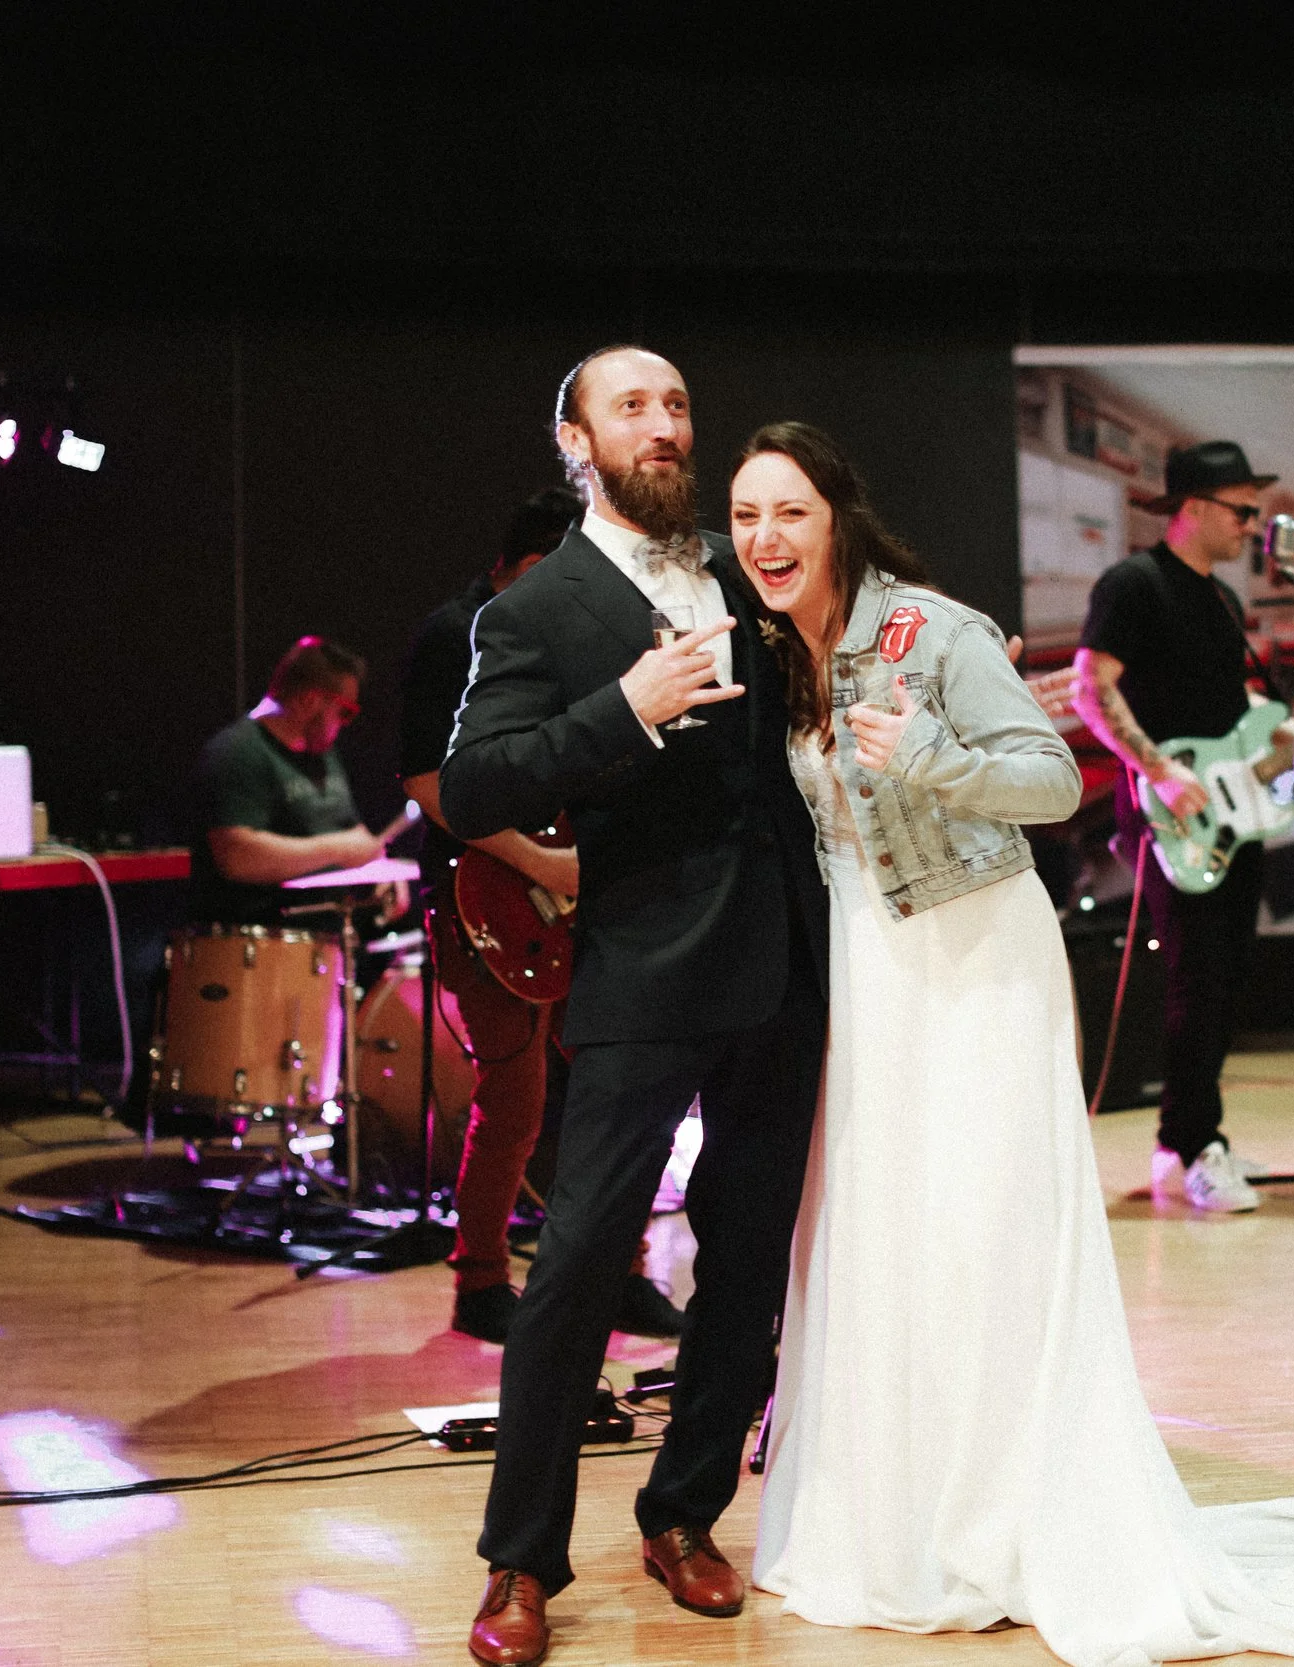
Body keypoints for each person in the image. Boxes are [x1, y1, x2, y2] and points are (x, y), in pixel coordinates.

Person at [740, 422, 1294, 1667]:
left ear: (837, 515)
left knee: (987, 1230)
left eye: (790, 511)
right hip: (869, 968)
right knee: (881, 1232)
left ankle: (1002, 1507)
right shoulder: (774, 651)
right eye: (745, 517)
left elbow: (1047, 775)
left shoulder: (928, 630)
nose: (766, 537)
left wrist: (933, 757)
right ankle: (893, 1508)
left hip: (969, 958)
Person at [440, 346, 827, 1667]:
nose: (663, 425)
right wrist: (622, 707)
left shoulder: (747, 565)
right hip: (643, 970)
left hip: (781, 967)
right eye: (631, 406)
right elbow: (476, 784)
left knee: (749, 1257)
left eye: (676, 404)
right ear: (574, 437)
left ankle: (685, 1511)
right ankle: (519, 1562)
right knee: (581, 1264)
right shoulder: (538, 611)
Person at [395, 485, 683, 1345]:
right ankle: (480, 1281)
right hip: (486, 889)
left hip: (579, 883)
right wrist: (542, 861)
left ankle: (625, 1272)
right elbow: (424, 781)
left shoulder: (593, 629)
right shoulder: (455, 635)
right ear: (503, 566)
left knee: (615, 1091)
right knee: (515, 1099)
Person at [1073, 440, 1294, 1213]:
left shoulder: (1223, 603)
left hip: (1232, 810)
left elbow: (1238, 719)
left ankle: (1188, 1140)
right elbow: (1089, 689)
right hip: (1174, 815)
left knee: (1226, 978)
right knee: (1196, 983)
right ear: (1194, 508)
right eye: (1242, 510)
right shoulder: (1133, 584)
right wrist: (1160, 771)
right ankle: (1195, 1147)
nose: (1252, 525)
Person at [189, 635, 383, 926]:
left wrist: (382, 867)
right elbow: (236, 855)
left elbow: (350, 831)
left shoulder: (322, 754)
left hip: (331, 939)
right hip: (265, 941)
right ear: (310, 700)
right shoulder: (237, 752)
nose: (345, 723)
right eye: (345, 711)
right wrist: (337, 849)